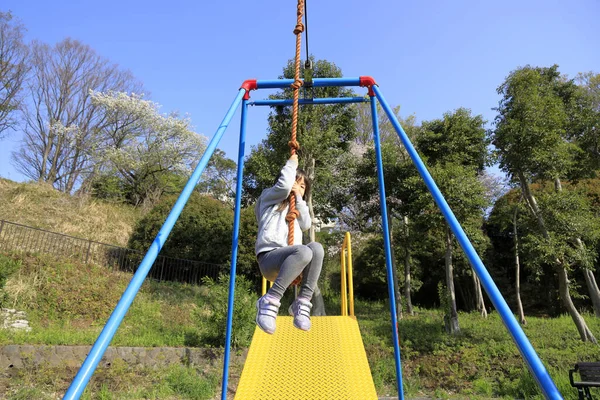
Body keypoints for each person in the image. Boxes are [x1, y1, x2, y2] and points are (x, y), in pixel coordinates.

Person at [254, 154, 324, 334]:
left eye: (303, 186)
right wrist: (292, 163)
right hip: (270, 259)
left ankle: (301, 303)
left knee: (316, 248)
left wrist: (299, 200)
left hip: (293, 263)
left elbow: (306, 224)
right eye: (295, 181)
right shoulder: (268, 199)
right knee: (303, 251)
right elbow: (283, 187)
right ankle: (270, 300)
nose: (298, 187)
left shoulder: (298, 208)